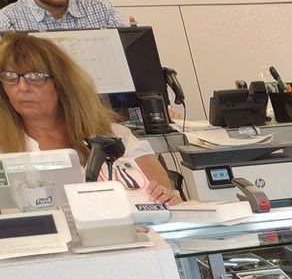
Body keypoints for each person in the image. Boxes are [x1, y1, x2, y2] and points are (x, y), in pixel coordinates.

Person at [0, 32, 178, 204]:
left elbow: (169, 202)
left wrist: (166, 198)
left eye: (35, 77)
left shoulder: (113, 135)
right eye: (10, 77)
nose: (22, 87)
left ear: (62, 83)